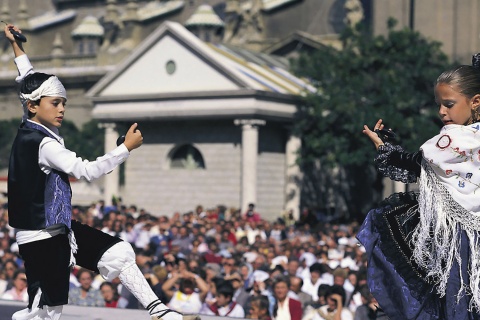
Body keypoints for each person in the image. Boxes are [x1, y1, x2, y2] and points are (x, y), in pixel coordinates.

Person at [4, 24, 181, 320]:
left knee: (117, 253)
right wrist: (125, 149)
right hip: (41, 238)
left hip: (58, 229)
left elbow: (27, 79)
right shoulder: (45, 144)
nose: (62, 109)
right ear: (34, 105)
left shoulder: (31, 122)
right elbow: (86, 171)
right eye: (56, 103)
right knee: (46, 313)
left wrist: (16, 46)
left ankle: (159, 311)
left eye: (64, 103)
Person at [358, 53, 480, 319]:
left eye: (448, 104)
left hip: (461, 245)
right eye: (439, 104)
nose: (441, 112)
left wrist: (383, 146)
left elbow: (412, 164)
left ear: (475, 102)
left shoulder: (452, 140)